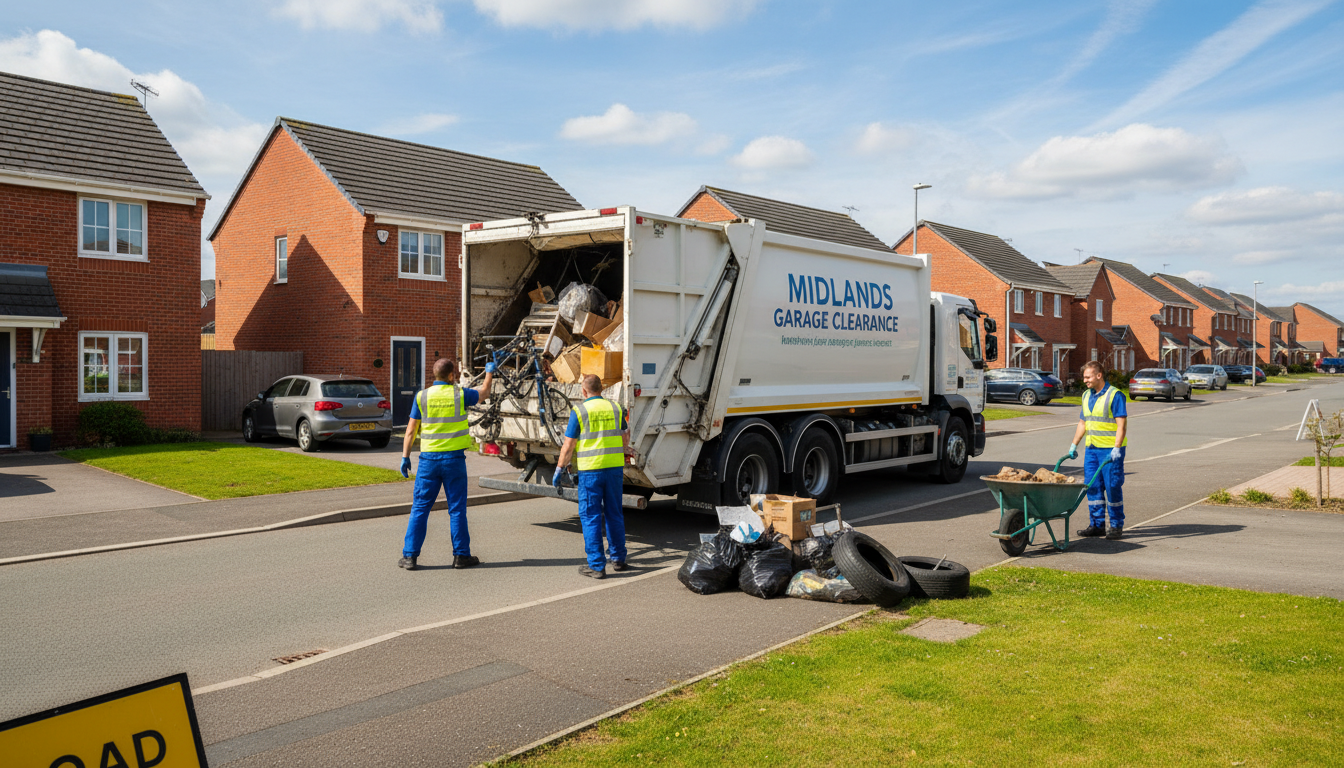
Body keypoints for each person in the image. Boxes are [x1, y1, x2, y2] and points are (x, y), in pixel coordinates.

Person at [397, 358, 493, 570]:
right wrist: (489, 372)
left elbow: (411, 430)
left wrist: (405, 457)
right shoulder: (460, 394)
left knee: (420, 508)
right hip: (454, 461)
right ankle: (461, 556)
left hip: (428, 462)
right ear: (451, 376)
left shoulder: (422, 396)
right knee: (457, 509)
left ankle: (410, 557)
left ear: (434, 375)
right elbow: (485, 392)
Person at [554, 374, 631, 579]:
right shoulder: (615, 408)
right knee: (615, 514)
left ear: (584, 390)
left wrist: (559, 468)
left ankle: (597, 565)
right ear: (602, 389)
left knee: (590, 517)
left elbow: (569, 445)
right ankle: (619, 559)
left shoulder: (580, 411)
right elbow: (625, 436)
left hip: (591, 471)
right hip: (614, 469)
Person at [1068, 360, 1127, 540]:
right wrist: (1074, 444)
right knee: (1092, 487)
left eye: (1088, 377)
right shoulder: (1086, 395)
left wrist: (1117, 448)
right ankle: (1097, 524)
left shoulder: (1115, 395)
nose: (1085, 380)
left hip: (1110, 451)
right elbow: (1082, 423)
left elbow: (1121, 425)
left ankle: (1116, 525)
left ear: (1099, 375)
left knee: (1112, 487)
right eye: (1084, 377)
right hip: (1092, 450)